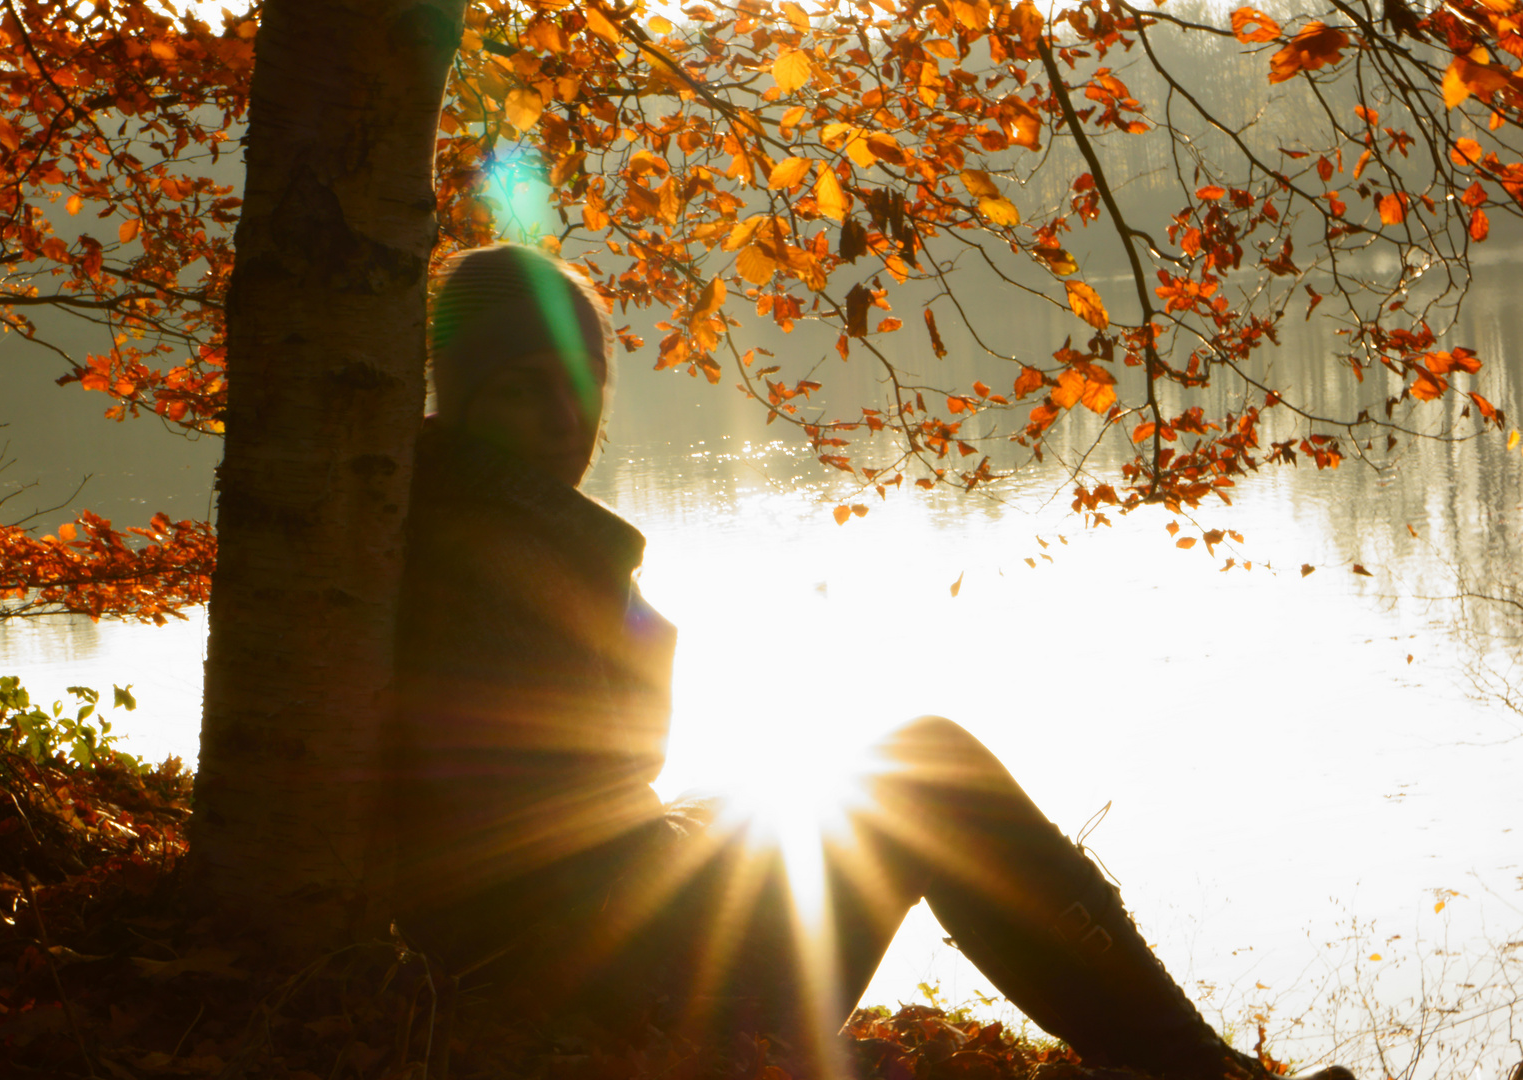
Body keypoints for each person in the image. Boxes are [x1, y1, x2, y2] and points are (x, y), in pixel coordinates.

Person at [389, 244, 1352, 1080]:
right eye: (521, 388)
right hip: (603, 990)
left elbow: (565, 808)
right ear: (458, 395)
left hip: (582, 939)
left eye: (580, 379)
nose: (565, 418)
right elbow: (521, 845)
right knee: (930, 774)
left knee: (805, 785)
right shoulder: (488, 557)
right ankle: (1195, 1068)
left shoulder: (483, 522)